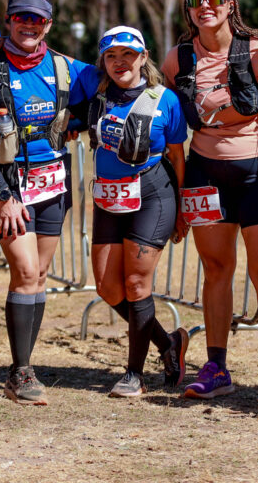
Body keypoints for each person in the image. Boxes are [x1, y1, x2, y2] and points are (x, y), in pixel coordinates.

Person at [163, 0, 258, 406]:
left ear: (230, 4)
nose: (205, 6)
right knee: (216, 270)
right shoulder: (178, 59)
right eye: (196, 0)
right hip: (205, 172)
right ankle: (216, 367)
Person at [0, 0, 88, 405]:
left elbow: (114, 78)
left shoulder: (64, 67)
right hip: (7, 184)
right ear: (8, 20)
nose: (29, 26)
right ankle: (20, 372)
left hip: (52, 182)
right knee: (24, 268)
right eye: (21, 17)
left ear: (48, 25)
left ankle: (25, 365)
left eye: (37, 19)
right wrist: (3, 195)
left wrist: (76, 124)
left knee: (39, 274)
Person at [83, 26, 188, 397]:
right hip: (109, 197)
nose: (120, 62)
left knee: (136, 284)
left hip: (153, 194)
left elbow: (178, 156)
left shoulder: (164, 99)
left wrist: (182, 209)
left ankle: (134, 375)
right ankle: (168, 343)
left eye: (128, 54)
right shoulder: (97, 95)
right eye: (111, 56)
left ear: (143, 57)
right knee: (108, 286)